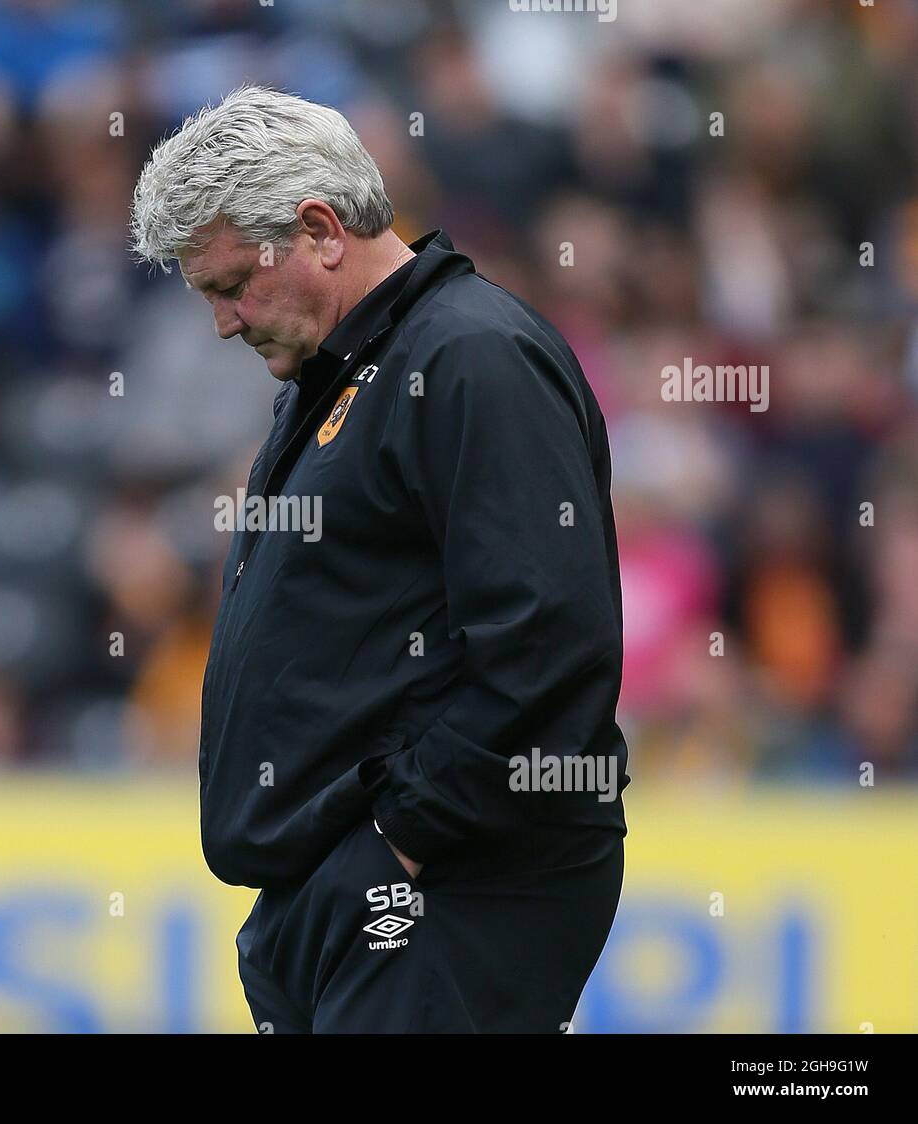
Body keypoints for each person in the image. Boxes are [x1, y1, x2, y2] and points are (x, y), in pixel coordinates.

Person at [131, 85, 630, 1033]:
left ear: (321, 228)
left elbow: (548, 644)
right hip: (362, 888)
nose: (223, 323)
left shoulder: (470, 358)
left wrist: (399, 840)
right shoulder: (356, 366)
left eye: (233, 285)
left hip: (448, 882)